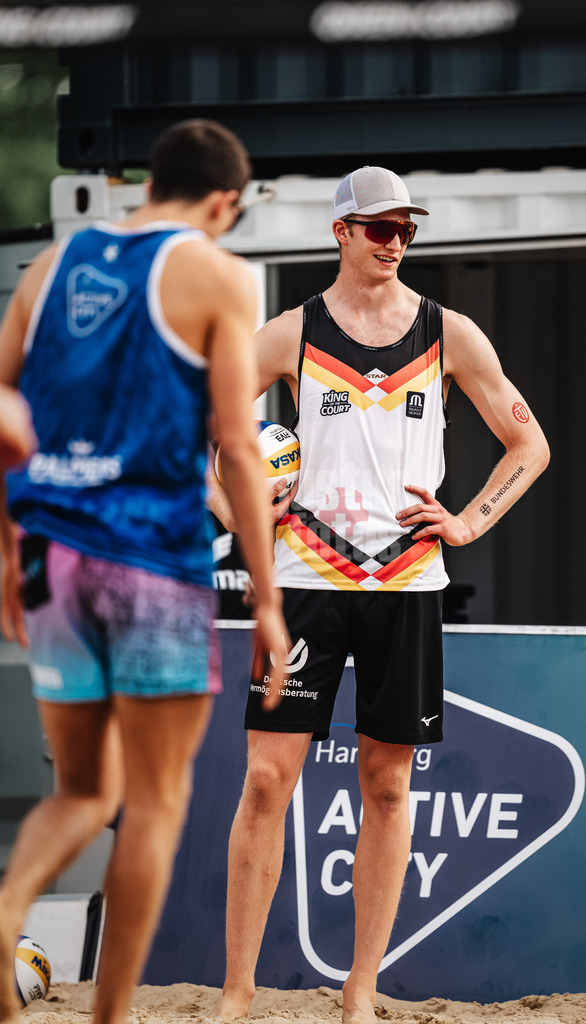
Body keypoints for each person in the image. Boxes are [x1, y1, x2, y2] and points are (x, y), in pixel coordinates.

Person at [210, 165, 550, 1024]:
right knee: (265, 781)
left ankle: (359, 989)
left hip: (405, 582)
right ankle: (238, 992)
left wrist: (467, 522)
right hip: (304, 579)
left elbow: (529, 445)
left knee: (387, 785)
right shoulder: (290, 333)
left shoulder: (449, 333)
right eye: (378, 227)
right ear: (341, 232)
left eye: (405, 228)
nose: (395, 241)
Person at [0, 119, 287, 1024]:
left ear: (148, 183)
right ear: (225, 202)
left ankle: (5, 916)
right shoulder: (217, 274)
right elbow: (236, 445)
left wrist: (7, 550)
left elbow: (5, 407)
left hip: (53, 555)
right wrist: (268, 596)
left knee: (83, 790)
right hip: (151, 565)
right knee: (156, 803)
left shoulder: (51, 268)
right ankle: (111, 1017)